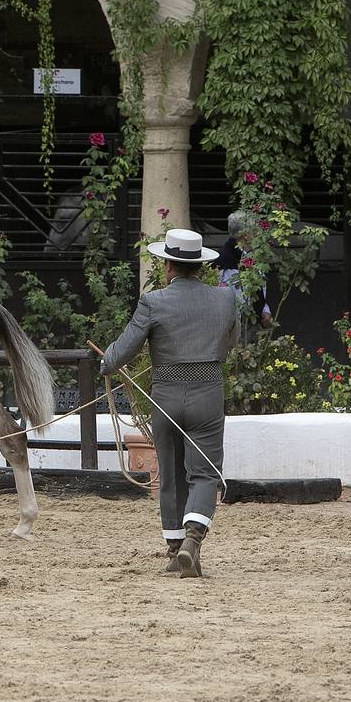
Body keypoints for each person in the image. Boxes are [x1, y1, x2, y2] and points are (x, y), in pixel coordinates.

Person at [99, 228, 239, 579]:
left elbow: (124, 348)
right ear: (200, 266)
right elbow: (232, 340)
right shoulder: (225, 298)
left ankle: (176, 552)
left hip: (165, 396)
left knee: (171, 474)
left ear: (168, 266)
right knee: (204, 472)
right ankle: (193, 539)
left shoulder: (153, 301)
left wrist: (106, 363)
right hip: (207, 392)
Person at [214, 209, 272, 331]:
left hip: (255, 323)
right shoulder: (222, 260)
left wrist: (264, 309)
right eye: (255, 231)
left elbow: (259, 290)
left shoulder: (255, 256)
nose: (258, 234)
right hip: (233, 327)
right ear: (246, 235)